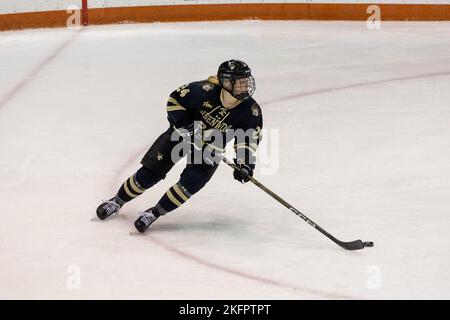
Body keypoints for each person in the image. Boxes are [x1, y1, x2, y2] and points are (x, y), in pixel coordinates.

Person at [96, 59, 263, 233]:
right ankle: (116, 201)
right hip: (181, 135)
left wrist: (245, 164)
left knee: (191, 184)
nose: (246, 86)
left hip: (210, 149)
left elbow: (248, 140)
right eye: (241, 82)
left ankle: (153, 213)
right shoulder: (202, 91)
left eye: (247, 81)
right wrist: (185, 125)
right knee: (149, 174)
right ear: (227, 82)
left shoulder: (251, 111)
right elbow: (174, 100)